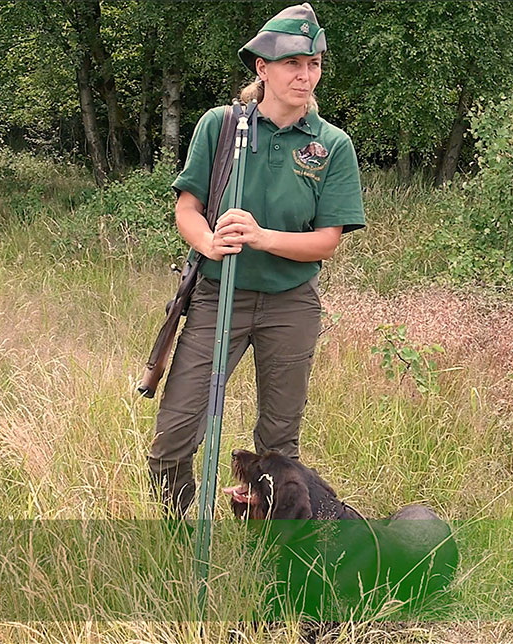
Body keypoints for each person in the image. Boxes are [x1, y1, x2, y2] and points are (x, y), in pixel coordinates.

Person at [148, 2, 366, 517]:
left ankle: (270, 553)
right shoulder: (221, 127)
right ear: (262, 68)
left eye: (313, 64)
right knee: (173, 441)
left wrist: (263, 236)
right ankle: (180, 539)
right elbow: (188, 208)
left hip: (291, 305)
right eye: (293, 63)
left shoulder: (331, 145)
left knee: (278, 449)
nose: (305, 75)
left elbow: (326, 241)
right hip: (217, 295)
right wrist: (206, 241)